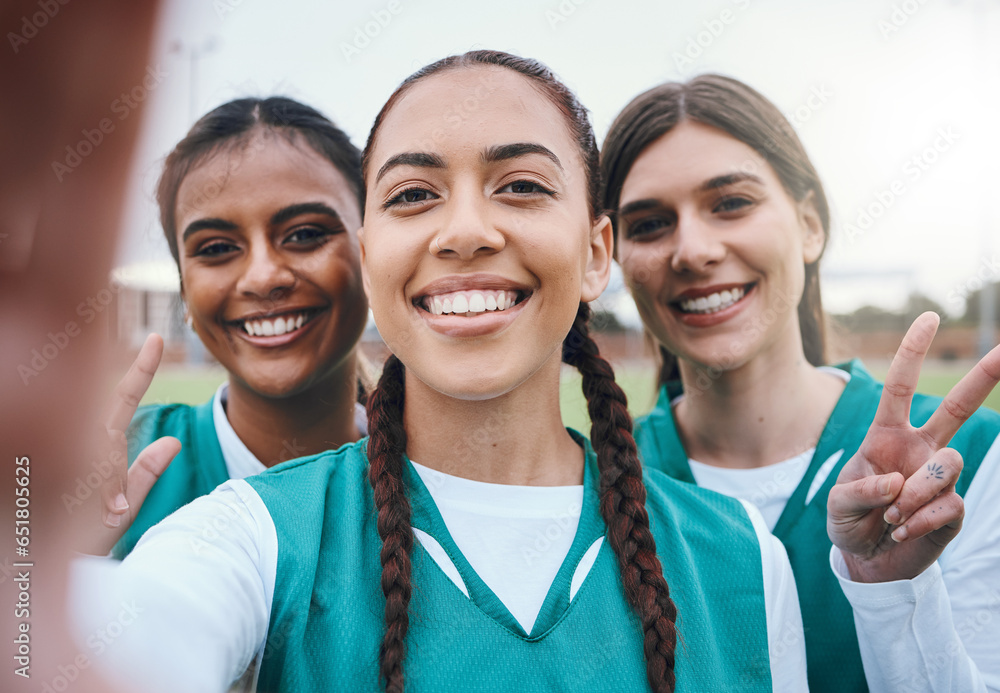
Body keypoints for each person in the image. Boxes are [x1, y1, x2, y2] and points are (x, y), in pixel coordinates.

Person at [72, 51, 809, 693]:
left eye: (520, 184)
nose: (463, 231)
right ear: (369, 255)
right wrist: (31, 567)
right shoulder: (249, 534)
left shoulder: (745, 557)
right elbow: (122, 642)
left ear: (595, 253)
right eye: (413, 194)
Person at [600, 74, 1000, 693]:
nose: (693, 249)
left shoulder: (974, 457)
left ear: (810, 224)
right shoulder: (596, 484)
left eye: (730, 202)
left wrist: (893, 591)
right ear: (613, 257)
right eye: (649, 224)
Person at [95, 97, 372, 558]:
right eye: (217, 247)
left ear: (373, 250)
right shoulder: (104, 473)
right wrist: (58, 568)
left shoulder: (445, 476)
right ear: (185, 290)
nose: (263, 277)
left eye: (305, 234)